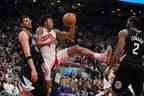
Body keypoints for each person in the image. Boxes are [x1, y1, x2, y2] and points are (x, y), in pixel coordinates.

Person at [36, 15, 112, 95]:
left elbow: (70, 36)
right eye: (50, 21)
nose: (52, 22)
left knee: (76, 48)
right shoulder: (40, 29)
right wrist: (49, 41)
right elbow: (38, 43)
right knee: (48, 88)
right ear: (45, 22)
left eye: (52, 21)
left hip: (55, 56)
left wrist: (72, 25)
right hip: (46, 61)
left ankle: (101, 57)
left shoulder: (55, 31)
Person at [108, 16, 144, 96]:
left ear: (131, 23)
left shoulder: (124, 32)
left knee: (115, 92)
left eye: (128, 21)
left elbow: (119, 51)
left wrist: (109, 67)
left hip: (127, 65)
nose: (126, 23)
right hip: (139, 67)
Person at [17, 15, 47, 96]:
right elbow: (27, 53)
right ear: (22, 25)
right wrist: (33, 69)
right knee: (27, 93)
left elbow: (36, 51)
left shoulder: (31, 35)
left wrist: (43, 64)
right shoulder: (23, 34)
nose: (29, 21)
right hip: (29, 68)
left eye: (29, 20)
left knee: (43, 91)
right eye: (26, 21)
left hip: (36, 66)